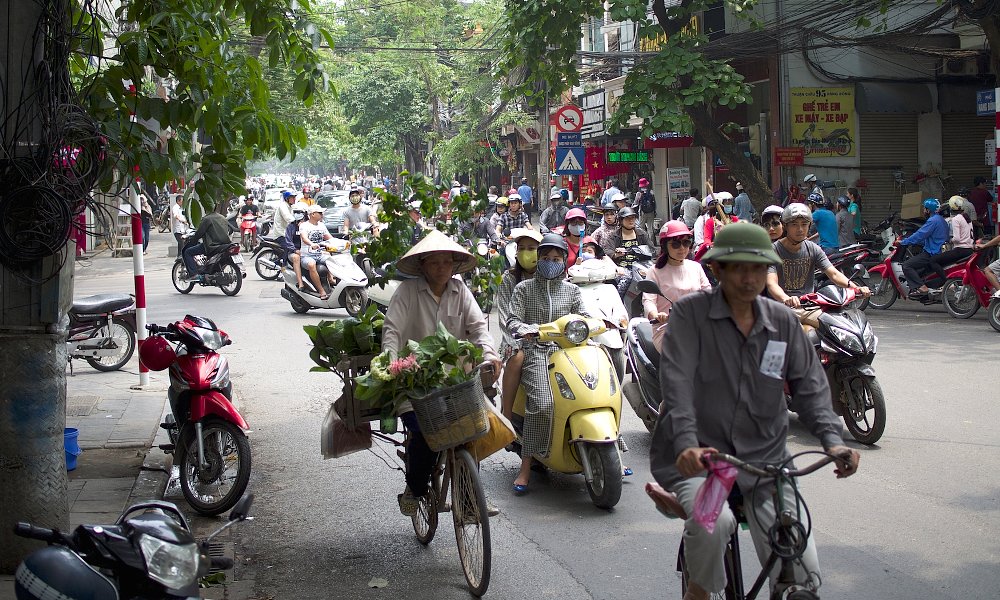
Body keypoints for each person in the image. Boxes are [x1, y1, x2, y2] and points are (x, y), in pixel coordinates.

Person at [647, 221, 860, 600]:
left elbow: (810, 386)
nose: (749, 278)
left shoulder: (781, 322)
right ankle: (696, 591)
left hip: (767, 460)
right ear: (717, 269)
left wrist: (832, 441)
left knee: (799, 559)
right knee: (712, 525)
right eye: (739, 268)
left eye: (758, 268)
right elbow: (676, 383)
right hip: (706, 458)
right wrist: (686, 444)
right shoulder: (691, 315)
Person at [382, 230, 501, 516]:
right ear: (423, 265)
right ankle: (416, 487)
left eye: (446, 263)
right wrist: (390, 363)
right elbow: (392, 331)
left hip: (455, 384)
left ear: (453, 265)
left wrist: (489, 355)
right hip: (416, 385)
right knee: (426, 435)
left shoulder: (460, 292)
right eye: (434, 263)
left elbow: (479, 329)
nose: (441, 268)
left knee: (472, 431)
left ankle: (470, 500)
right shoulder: (407, 292)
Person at [505, 233, 589, 494]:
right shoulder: (523, 289)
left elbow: (584, 317)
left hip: (570, 352)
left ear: (564, 261)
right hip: (536, 352)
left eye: (556, 258)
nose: (550, 262)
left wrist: (597, 324)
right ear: (538, 260)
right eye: (545, 258)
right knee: (542, 404)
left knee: (592, 395)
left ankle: (614, 451)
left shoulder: (573, 290)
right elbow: (512, 320)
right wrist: (528, 330)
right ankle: (526, 466)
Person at [765, 204, 870, 318]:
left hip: (808, 307)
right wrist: (786, 298)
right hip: (780, 309)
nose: (800, 229)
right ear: (786, 226)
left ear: (809, 226)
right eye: (794, 225)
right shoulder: (773, 250)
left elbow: (834, 274)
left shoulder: (813, 249)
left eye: (804, 224)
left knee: (838, 328)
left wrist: (856, 288)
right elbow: (771, 283)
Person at [642, 221, 711, 349]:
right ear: (664, 246)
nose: (682, 248)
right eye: (675, 244)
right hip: (666, 328)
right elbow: (648, 301)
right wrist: (656, 314)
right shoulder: (655, 271)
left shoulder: (696, 267)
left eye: (686, 243)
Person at [497, 228, 542, 421]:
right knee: (517, 358)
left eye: (531, 248)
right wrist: (516, 338)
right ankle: (507, 414)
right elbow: (504, 315)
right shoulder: (509, 278)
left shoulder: (550, 277)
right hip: (515, 337)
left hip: (545, 336)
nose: (526, 252)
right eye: (521, 248)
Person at [898, 198, 950, 299]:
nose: (923, 210)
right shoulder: (940, 219)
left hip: (932, 252)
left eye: (924, 208)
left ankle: (922, 287)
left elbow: (920, 235)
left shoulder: (932, 220)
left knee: (907, 265)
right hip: (939, 250)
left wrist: (904, 242)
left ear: (928, 210)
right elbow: (928, 236)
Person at [928, 196, 975, 282]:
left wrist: (949, 240)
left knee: (932, 260)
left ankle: (947, 282)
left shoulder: (956, 219)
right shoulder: (967, 217)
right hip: (969, 249)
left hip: (960, 250)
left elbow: (956, 238)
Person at [298, 204, 337, 298]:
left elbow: (329, 237)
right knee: (311, 265)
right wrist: (311, 244)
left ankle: (331, 279)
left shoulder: (322, 225)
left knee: (334, 260)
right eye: (320, 213)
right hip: (307, 256)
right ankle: (321, 291)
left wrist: (341, 243)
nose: (322, 215)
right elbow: (304, 238)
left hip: (320, 254)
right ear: (312, 214)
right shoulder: (304, 226)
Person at [182, 210, 230, 282]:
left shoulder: (207, 219)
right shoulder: (222, 217)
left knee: (188, 252)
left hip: (211, 245)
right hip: (224, 244)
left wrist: (193, 240)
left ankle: (194, 275)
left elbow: (200, 233)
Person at [280, 202, 308, 290]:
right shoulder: (291, 226)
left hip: (309, 250)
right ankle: (300, 283)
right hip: (294, 251)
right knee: (296, 258)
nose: (297, 214)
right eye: (296, 212)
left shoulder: (309, 225)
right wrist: (295, 250)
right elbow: (288, 242)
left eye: (300, 212)